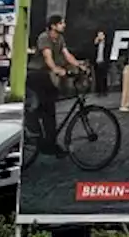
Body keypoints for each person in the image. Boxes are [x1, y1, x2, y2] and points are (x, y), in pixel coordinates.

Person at [27, 14, 85, 157]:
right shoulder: (44, 37)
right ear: (53, 26)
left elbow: (67, 55)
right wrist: (56, 69)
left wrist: (79, 65)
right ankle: (32, 127)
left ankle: (51, 144)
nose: (64, 25)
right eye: (61, 23)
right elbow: (48, 57)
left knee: (50, 112)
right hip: (36, 74)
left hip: (46, 77)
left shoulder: (60, 39)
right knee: (44, 107)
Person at [93, 30, 109, 97]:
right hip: (97, 62)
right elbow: (92, 51)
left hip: (103, 62)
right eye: (99, 35)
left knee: (104, 77)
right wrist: (95, 43)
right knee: (97, 77)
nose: (100, 36)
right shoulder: (96, 45)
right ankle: (98, 91)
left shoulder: (106, 44)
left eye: (101, 35)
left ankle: (105, 91)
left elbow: (108, 53)